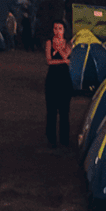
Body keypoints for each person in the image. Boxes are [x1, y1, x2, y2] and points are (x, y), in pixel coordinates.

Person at [44, 21, 73, 150]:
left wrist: (59, 49)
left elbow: (66, 55)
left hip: (64, 80)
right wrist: (63, 61)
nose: (57, 31)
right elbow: (49, 61)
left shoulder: (69, 43)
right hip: (52, 80)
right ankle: (51, 140)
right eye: (55, 28)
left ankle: (64, 140)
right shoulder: (49, 42)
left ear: (64, 30)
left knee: (64, 112)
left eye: (60, 28)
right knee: (51, 111)